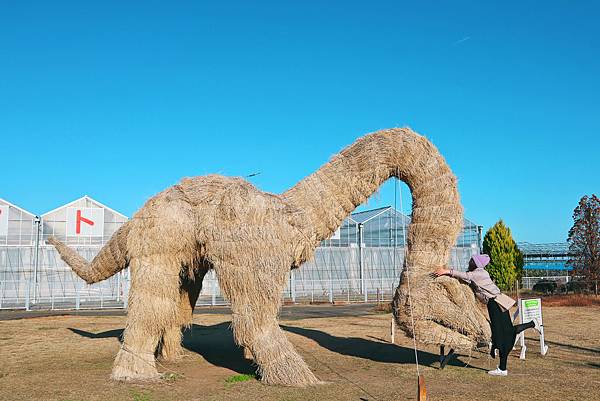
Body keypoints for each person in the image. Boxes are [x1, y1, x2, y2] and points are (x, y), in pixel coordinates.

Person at [434, 254, 539, 376]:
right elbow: (468, 279)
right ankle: (532, 324)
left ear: (476, 264)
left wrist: (446, 271)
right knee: (506, 332)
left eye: (472, 261)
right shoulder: (478, 273)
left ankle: (502, 367)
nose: (469, 262)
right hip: (496, 304)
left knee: (502, 334)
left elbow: (466, 276)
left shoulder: (479, 273)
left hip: (496, 304)